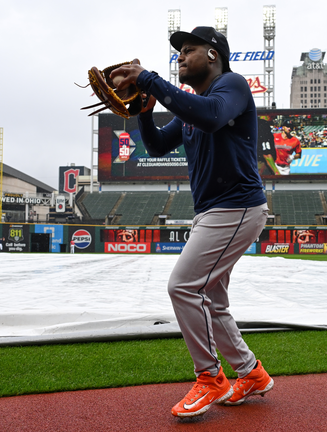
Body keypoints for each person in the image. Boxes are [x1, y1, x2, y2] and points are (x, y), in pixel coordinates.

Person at [110, 26, 273, 418]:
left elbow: (214, 117)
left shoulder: (231, 86)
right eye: (179, 52)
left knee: (182, 286)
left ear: (213, 55)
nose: (180, 57)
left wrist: (149, 78)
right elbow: (158, 146)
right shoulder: (194, 104)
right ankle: (251, 373)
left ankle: (210, 376)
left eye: (189, 50)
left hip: (236, 207)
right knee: (212, 300)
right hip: (214, 211)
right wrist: (145, 114)